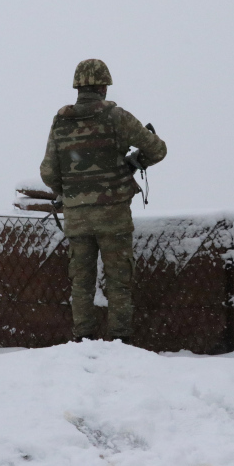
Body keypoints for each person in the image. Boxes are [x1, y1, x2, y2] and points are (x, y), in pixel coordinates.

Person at [40, 59, 167, 343]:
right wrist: (133, 163)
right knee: (119, 283)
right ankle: (120, 341)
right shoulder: (117, 117)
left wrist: (73, 191)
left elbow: (48, 173)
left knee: (81, 284)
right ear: (102, 87)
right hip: (113, 216)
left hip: (77, 219)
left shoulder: (61, 121)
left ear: (78, 87)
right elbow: (158, 149)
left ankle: (82, 340)